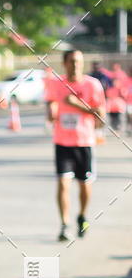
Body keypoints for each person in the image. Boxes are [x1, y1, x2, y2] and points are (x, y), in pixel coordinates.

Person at [45, 50, 106, 242]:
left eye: (79, 61)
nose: (76, 65)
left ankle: (82, 216)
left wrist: (77, 104)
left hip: (84, 142)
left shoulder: (92, 85)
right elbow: (51, 103)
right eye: (72, 61)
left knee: (84, 185)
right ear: (64, 64)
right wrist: (51, 110)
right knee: (63, 183)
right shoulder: (56, 84)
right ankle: (64, 224)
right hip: (62, 142)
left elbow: (101, 117)